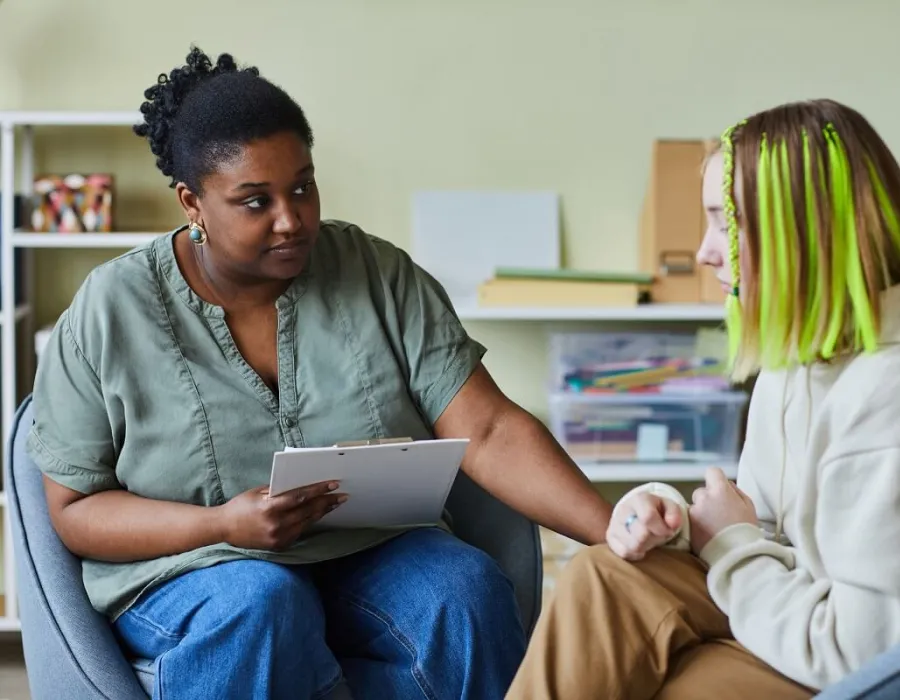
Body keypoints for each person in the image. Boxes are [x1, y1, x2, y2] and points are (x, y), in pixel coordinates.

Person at [27, 47, 613, 700]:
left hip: (371, 550)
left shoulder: (378, 274)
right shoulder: (111, 309)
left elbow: (490, 428)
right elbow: (74, 510)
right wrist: (221, 525)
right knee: (261, 602)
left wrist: (614, 533)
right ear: (192, 202)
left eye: (302, 185)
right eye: (255, 202)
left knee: (461, 590)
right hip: (193, 566)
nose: (292, 219)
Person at [505, 98, 900, 699]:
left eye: (724, 223)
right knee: (599, 576)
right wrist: (671, 518)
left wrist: (733, 544)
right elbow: (763, 523)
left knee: (681, 684)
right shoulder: (796, 365)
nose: (704, 252)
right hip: (795, 610)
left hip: (843, 656)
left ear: (794, 229)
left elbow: (859, 653)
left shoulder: (884, 395)